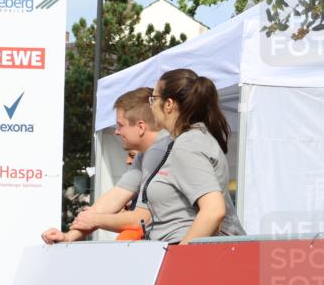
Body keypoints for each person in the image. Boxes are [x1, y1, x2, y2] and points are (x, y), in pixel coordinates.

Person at [42, 88, 169, 244]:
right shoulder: (145, 155)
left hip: (179, 246)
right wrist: (68, 237)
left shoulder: (163, 150)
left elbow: (140, 219)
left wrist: (95, 219)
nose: (116, 132)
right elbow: (114, 198)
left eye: (120, 125)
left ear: (141, 127)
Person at [144, 68, 245, 244]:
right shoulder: (193, 139)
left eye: (153, 99)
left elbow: (213, 210)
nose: (150, 105)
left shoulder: (187, 145)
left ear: (169, 104)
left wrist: (180, 255)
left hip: (189, 250)